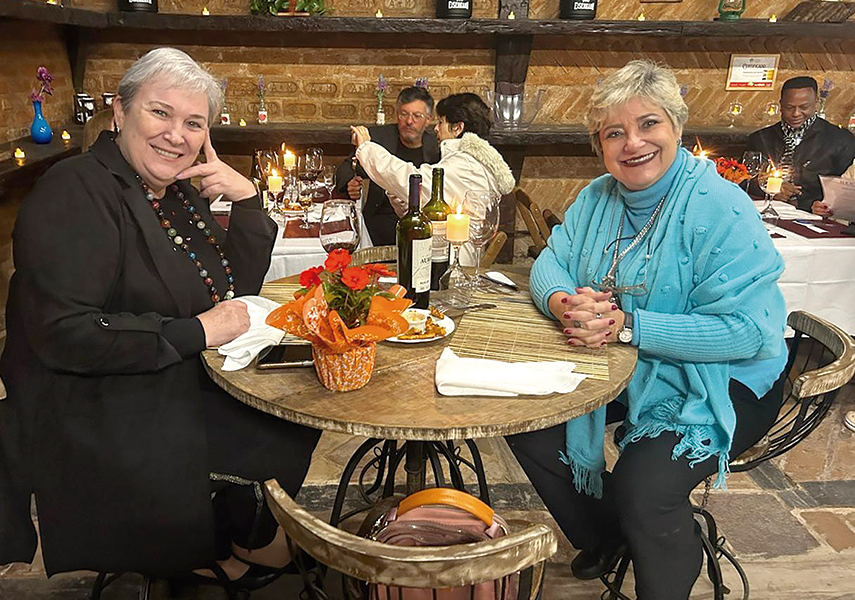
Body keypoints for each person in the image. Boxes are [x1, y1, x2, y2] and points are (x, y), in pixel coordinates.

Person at [0, 48, 320, 590]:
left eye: (193, 123)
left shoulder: (172, 193)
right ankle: (219, 543)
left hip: (153, 372)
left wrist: (247, 200)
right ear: (120, 111)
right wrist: (199, 330)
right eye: (160, 113)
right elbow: (65, 335)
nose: (176, 136)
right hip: (94, 404)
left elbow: (232, 288)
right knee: (274, 425)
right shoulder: (75, 189)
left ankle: (235, 534)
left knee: (297, 395)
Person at [505, 60, 788, 600]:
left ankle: (660, 562)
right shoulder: (598, 197)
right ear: (600, 145)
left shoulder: (719, 205)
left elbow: (746, 331)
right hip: (629, 362)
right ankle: (610, 537)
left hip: (725, 376)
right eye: (614, 132)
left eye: (649, 123)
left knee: (645, 488)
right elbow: (551, 262)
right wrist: (565, 305)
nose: (633, 143)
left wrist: (627, 326)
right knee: (528, 425)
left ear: (677, 126)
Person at [350, 92, 515, 223]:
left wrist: (366, 148)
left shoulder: (465, 164)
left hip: (455, 252)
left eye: (441, 122)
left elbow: (412, 180)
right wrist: (394, 189)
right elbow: (422, 200)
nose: (436, 128)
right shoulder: (466, 160)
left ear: (458, 128)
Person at [336, 85, 440, 245]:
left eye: (417, 116)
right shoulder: (378, 137)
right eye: (404, 114)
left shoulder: (436, 147)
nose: (409, 121)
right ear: (397, 115)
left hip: (421, 222)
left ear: (428, 120)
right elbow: (346, 167)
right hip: (380, 218)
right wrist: (350, 183)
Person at [744, 76, 855, 216]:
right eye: (790, 107)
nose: (796, 114)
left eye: (804, 107)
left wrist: (819, 205)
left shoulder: (840, 140)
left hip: (814, 217)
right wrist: (768, 188)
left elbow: (846, 191)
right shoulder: (761, 138)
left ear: (816, 103)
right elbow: (742, 180)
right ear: (781, 105)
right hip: (763, 211)